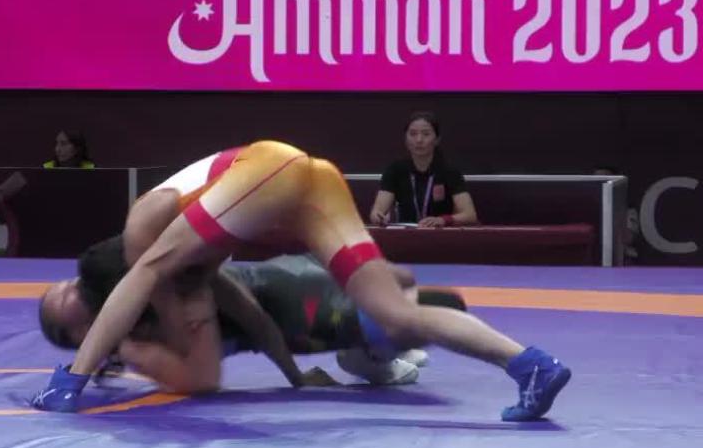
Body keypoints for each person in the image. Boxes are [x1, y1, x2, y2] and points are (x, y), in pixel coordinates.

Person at [31, 140, 570, 422]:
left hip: (271, 169)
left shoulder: (143, 236)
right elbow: (241, 307)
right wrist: (293, 375)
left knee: (149, 273)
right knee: (396, 314)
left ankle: (67, 381)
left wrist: (75, 378)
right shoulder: (192, 255)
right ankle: (530, 365)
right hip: (310, 184)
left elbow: (147, 287)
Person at [39, 237, 470, 391]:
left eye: (75, 288)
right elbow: (203, 378)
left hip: (291, 283)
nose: (77, 291)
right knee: (426, 314)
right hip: (305, 313)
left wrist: (295, 377)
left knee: (403, 282)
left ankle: (371, 352)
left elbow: (253, 320)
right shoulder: (137, 341)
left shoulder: (171, 284)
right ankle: (371, 351)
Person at [370, 111, 478, 228]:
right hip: (406, 233)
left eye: (426, 134)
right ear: (406, 139)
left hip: (439, 233)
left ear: (437, 139)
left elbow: (470, 215)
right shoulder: (395, 170)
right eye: (413, 134)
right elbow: (376, 212)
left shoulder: (450, 171)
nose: (419, 140)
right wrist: (378, 216)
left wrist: (443, 220)